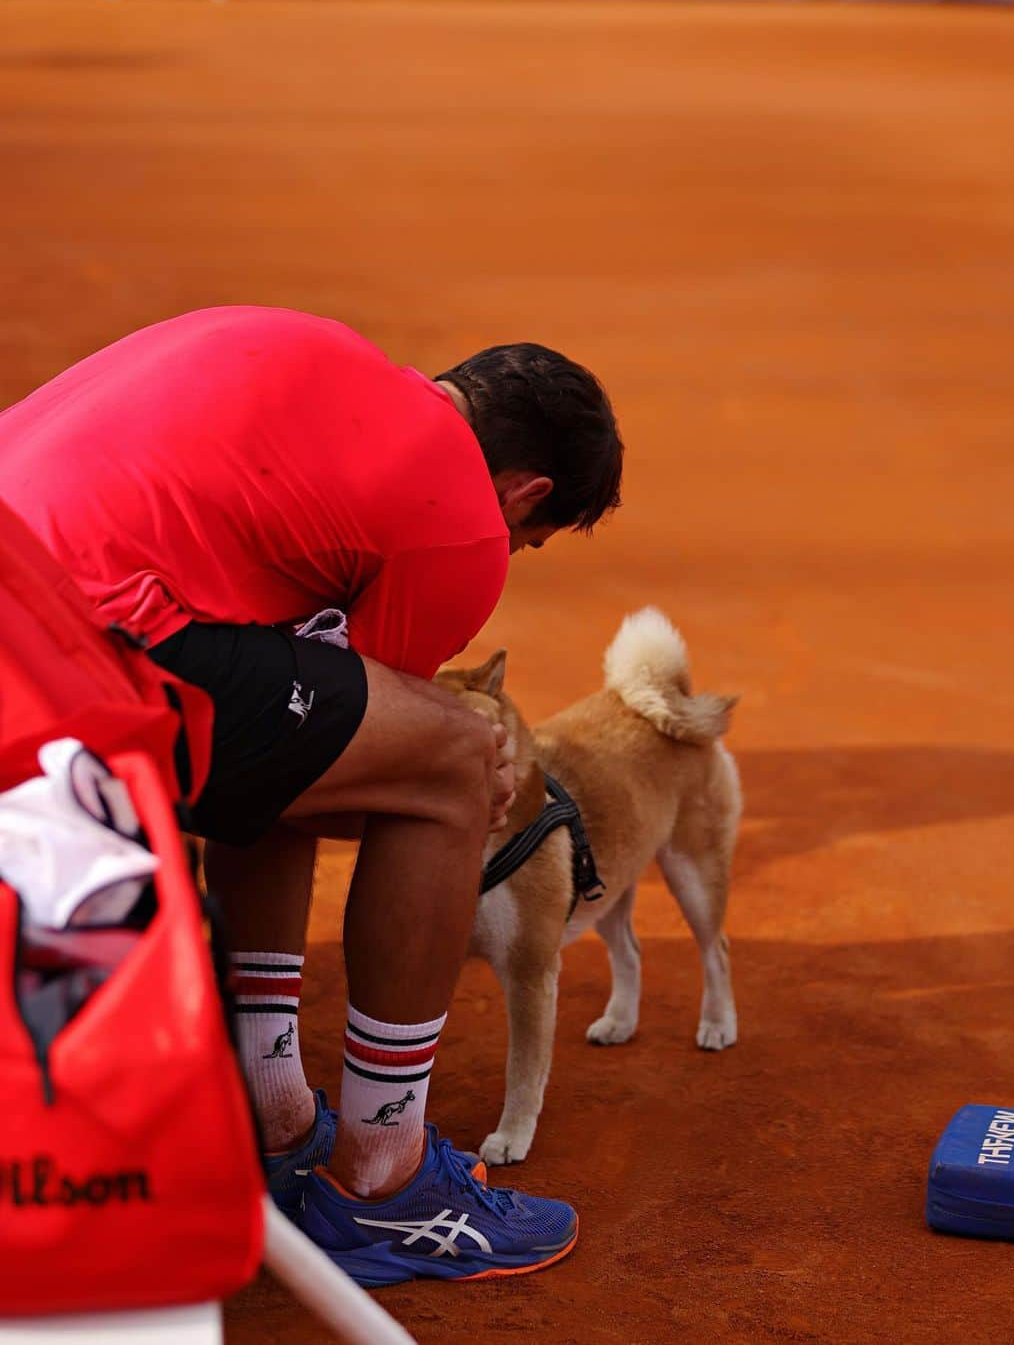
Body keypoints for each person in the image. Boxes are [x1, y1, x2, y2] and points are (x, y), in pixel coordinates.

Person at [0, 305, 623, 1287]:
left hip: (38, 608)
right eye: (530, 539)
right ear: (525, 491)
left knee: (296, 689)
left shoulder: (313, 360)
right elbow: (351, 770)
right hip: (61, 657)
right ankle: (386, 1179)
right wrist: (480, 782)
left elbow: (297, 728)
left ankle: (269, 1109)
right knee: (449, 765)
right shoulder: (460, 517)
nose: (511, 553)